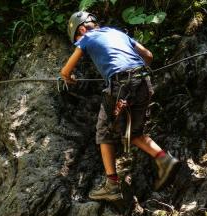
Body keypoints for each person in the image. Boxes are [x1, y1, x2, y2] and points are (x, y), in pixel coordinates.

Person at [60, 11, 180, 201]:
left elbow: (65, 71)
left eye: (77, 35)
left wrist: (68, 78)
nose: (79, 39)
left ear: (81, 29)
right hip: (144, 82)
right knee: (133, 133)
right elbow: (148, 55)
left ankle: (112, 185)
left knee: (103, 131)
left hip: (121, 85)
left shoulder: (87, 37)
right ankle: (164, 158)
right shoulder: (117, 33)